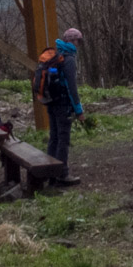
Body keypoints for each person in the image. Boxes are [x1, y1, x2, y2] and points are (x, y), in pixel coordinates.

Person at [43, 27, 85, 185]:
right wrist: (79, 110)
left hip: (51, 103)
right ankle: (62, 174)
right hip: (63, 104)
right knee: (63, 139)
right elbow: (72, 88)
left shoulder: (56, 56)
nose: (79, 44)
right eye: (78, 41)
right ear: (73, 41)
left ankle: (50, 173)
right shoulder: (69, 59)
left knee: (54, 138)